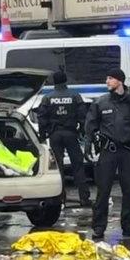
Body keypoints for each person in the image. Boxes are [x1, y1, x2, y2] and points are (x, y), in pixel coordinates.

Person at [85, 68, 130, 240]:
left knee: (128, 190)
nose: (107, 81)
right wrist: (88, 144)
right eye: (107, 78)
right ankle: (99, 227)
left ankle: (129, 226)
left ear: (120, 81)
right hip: (108, 152)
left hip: (128, 152)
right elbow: (90, 125)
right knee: (103, 191)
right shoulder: (101, 102)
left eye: (110, 78)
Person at [37, 71, 91, 207]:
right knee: (78, 165)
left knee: (58, 167)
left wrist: (43, 136)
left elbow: (42, 119)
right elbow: (83, 116)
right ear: (66, 80)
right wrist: (82, 132)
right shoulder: (75, 96)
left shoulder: (47, 98)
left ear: (54, 82)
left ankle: (60, 199)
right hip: (70, 134)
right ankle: (84, 198)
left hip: (55, 135)